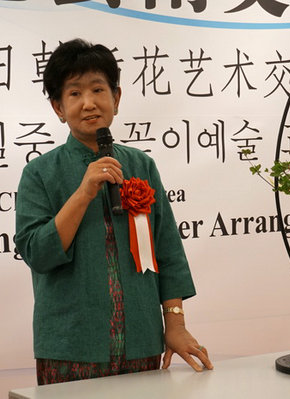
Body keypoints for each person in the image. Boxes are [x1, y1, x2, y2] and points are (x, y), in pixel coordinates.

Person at [15, 38, 213, 385]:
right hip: (70, 349)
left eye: (98, 89)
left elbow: (167, 252)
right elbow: (38, 253)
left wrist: (176, 325)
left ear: (116, 99)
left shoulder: (141, 165)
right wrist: (83, 192)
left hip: (141, 342)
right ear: (58, 108)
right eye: (74, 94)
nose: (88, 103)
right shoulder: (39, 174)